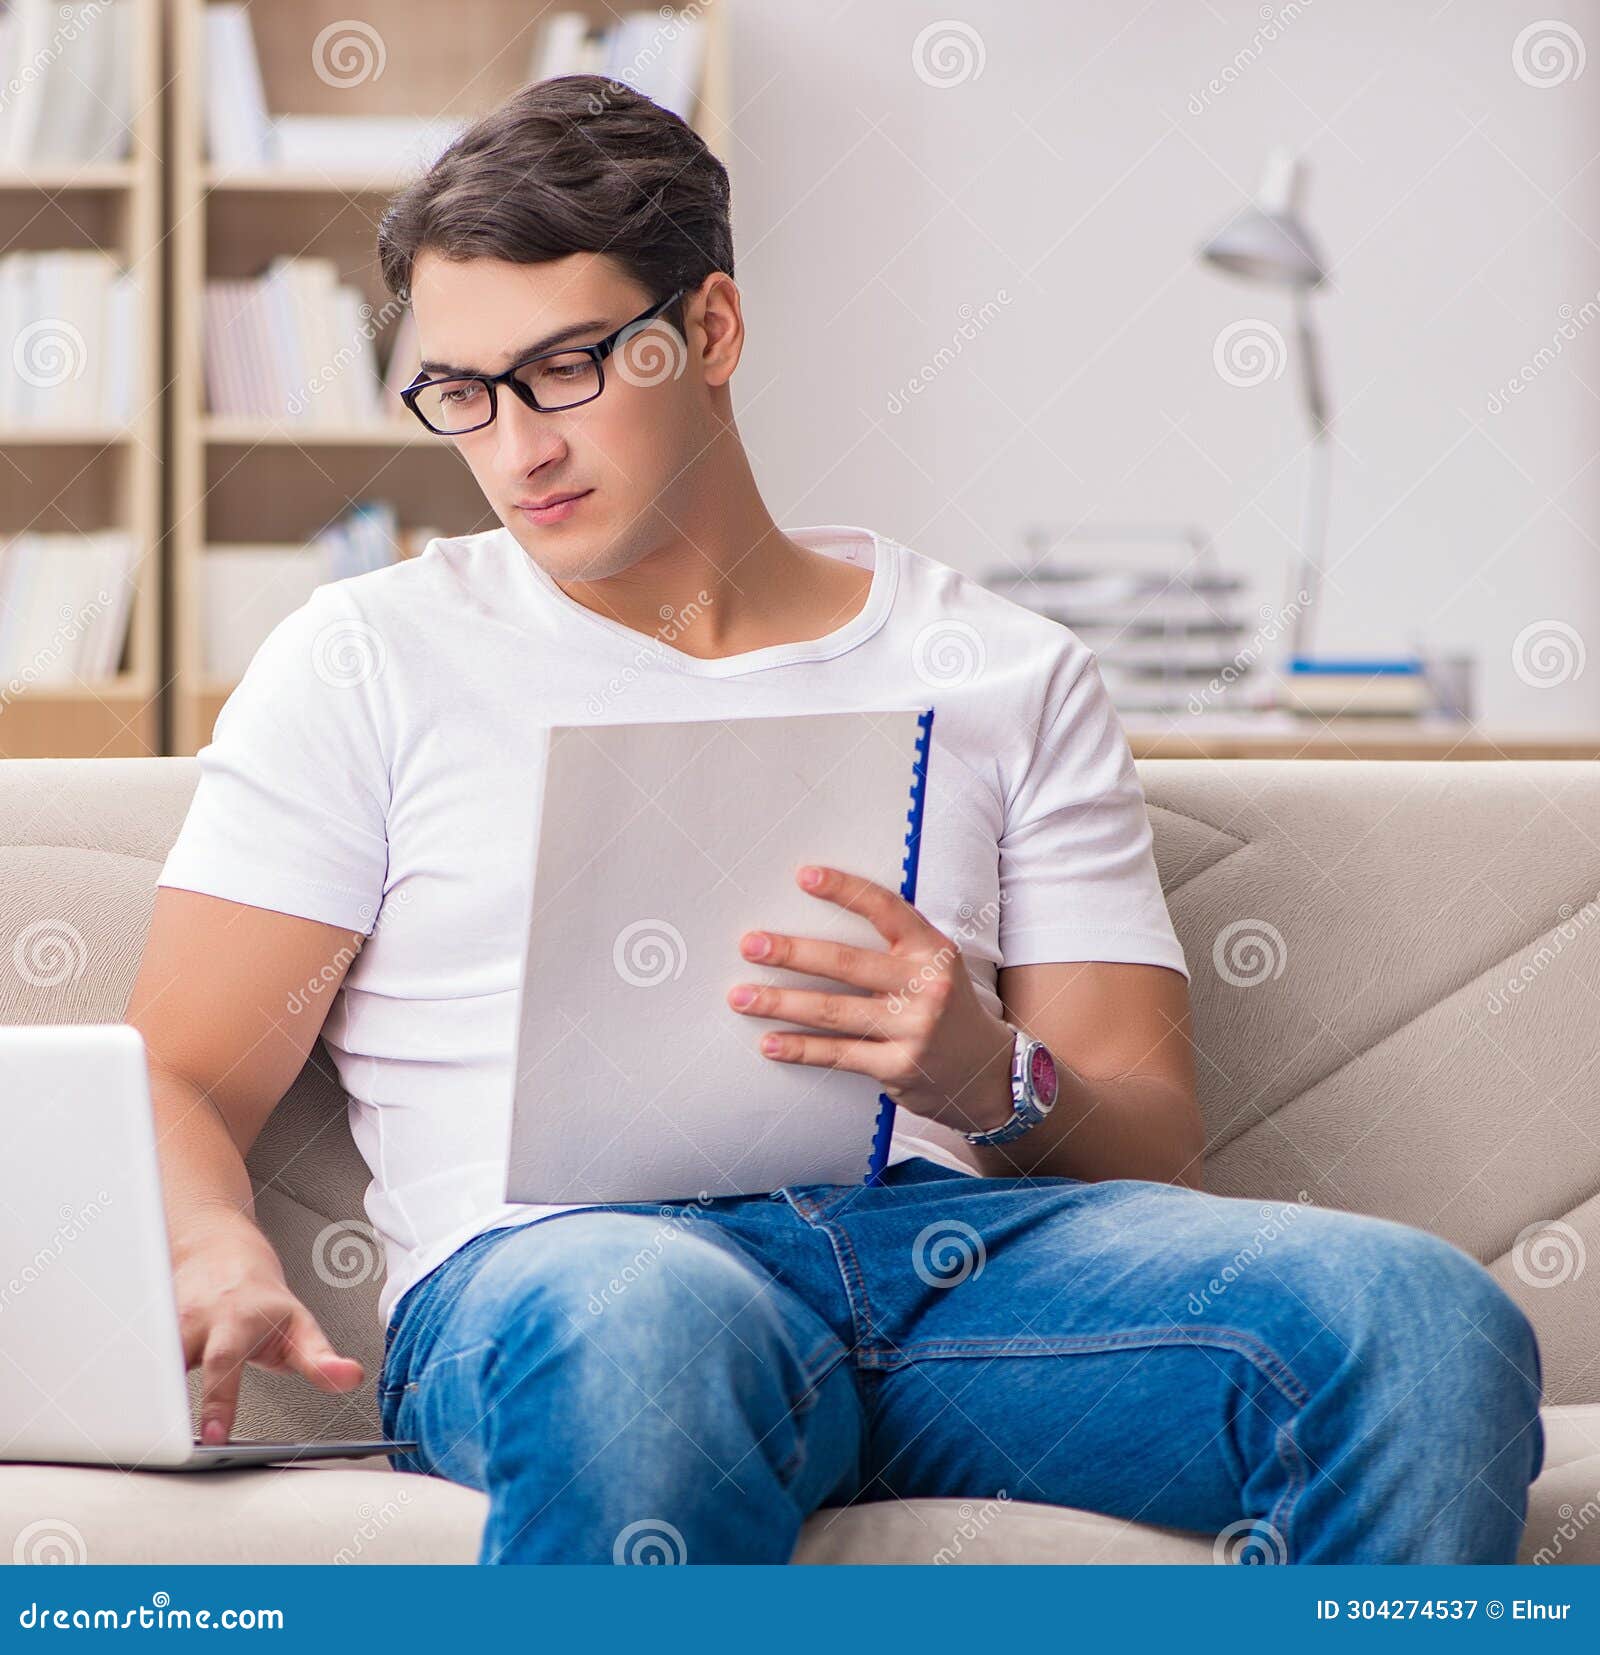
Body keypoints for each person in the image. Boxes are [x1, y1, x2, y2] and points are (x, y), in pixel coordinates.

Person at [126, 74, 1544, 1565]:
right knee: (652, 1327)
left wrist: (987, 1070)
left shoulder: (1001, 668)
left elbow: (1149, 1145)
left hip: (961, 1279)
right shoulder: (369, 658)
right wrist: (212, 1240)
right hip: (569, 1276)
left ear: (713, 330)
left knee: (1423, 1320)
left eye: (562, 371)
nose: (517, 449)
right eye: (462, 393)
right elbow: (176, 1078)